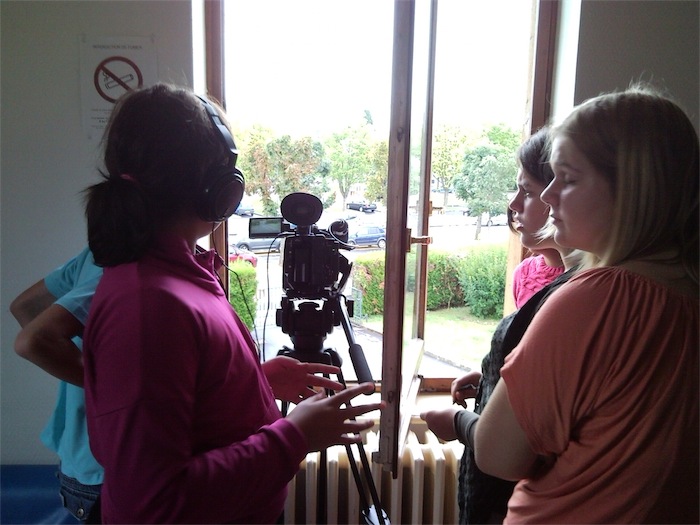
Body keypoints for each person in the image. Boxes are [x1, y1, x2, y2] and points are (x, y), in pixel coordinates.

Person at [81, 83, 384, 524]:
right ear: (215, 187)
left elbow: (186, 405)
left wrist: (255, 380)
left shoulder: (180, 272)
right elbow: (153, 502)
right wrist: (294, 436)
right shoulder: (149, 306)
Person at [474, 85, 698, 523]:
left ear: (633, 190)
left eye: (569, 178)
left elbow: (497, 454)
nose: (549, 195)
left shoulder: (599, 298)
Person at [421, 127, 578, 524]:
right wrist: (492, 378)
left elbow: (518, 444)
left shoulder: (577, 296)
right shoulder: (529, 274)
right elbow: (533, 368)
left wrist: (458, 421)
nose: (513, 204)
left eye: (528, 191)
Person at [10, 247, 104, 523]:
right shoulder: (127, 271)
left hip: (81, 461)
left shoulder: (94, 256)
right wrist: (109, 390)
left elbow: (24, 307)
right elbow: (34, 341)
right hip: (107, 469)